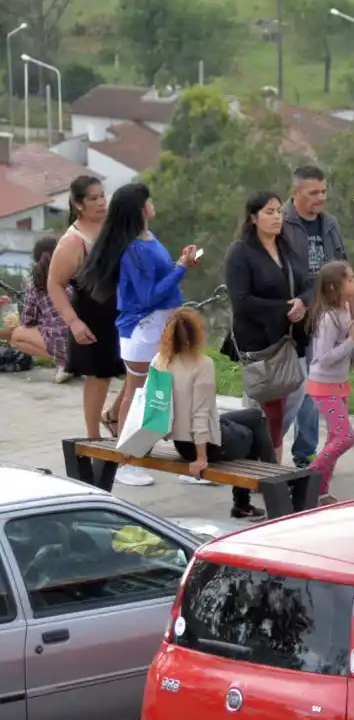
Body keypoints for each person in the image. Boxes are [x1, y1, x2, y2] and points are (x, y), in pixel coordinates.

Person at [79, 182, 200, 487]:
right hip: (144, 327)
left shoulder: (147, 238)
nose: (152, 203)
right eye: (149, 200)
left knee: (165, 391)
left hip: (161, 324)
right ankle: (126, 460)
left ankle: (183, 458)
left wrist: (179, 264)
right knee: (137, 395)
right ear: (140, 208)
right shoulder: (134, 248)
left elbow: (159, 279)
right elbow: (149, 296)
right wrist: (181, 268)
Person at [153, 308, 276, 519]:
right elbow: (200, 414)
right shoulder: (202, 364)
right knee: (251, 434)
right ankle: (274, 487)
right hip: (208, 446)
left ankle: (250, 499)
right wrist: (201, 458)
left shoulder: (160, 361)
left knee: (255, 415)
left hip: (182, 443)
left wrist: (140, 446)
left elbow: (154, 406)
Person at [224, 190, 313, 454]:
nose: (277, 217)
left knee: (294, 396)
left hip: (291, 340)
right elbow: (241, 301)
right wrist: (284, 308)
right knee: (262, 410)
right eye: (269, 212)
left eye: (279, 212)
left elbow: (309, 283)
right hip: (260, 345)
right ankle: (253, 457)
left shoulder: (286, 247)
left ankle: (267, 455)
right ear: (254, 217)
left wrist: (303, 302)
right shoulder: (240, 252)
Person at [281, 164, 350, 469]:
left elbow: (343, 268)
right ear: (295, 193)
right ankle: (267, 447)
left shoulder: (330, 224)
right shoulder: (282, 223)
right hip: (292, 317)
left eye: (323, 191)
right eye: (313, 193)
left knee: (315, 386)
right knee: (292, 390)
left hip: (325, 318)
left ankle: (305, 454)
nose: (321, 197)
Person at [48, 176, 127, 440]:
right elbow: (55, 284)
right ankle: (93, 438)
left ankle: (113, 415)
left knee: (141, 369)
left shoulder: (110, 227)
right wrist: (73, 322)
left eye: (102, 196)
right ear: (79, 204)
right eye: (94, 198)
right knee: (99, 377)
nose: (101, 202)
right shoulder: (73, 241)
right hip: (92, 314)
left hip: (122, 310)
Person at [305, 261, 354, 503]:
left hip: (338, 384)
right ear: (333, 287)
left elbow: (345, 349)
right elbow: (324, 358)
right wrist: (351, 341)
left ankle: (320, 492)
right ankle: (307, 479)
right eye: (349, 279)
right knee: (345, 438)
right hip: (323, 385)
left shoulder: (345, 309)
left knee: (333, 439)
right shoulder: (327, 318)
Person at [0, 237, 66, 368]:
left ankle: (65, 362)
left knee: (16, 335)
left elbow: (28, 321)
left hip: (65, 342)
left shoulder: (35, 282)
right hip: (91, 342)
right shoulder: (75, 275)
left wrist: (9, 313)